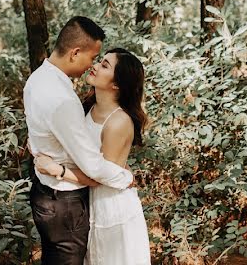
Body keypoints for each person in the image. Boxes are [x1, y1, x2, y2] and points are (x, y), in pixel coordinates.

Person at [24, 17, 134, 265]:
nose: (92, 65)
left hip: (45, 193)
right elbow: (93, 167)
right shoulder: (63, 99)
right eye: (93, 58)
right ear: (75, 53)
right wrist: (124, 177)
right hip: (64, 203)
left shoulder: (37, 78)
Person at [35, 47, 152, 265]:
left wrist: (57, 170)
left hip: (112, 208)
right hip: (88, 202)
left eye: (104, 65)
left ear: (116, 84)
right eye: (99, 61)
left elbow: (99, 177)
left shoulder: (118, 122)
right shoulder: (88, 106)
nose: (95, 66)